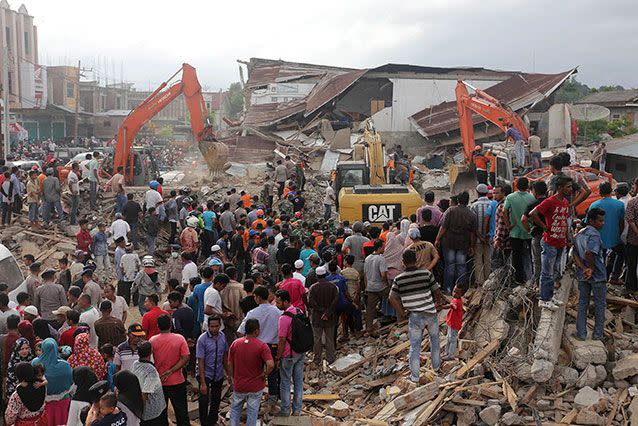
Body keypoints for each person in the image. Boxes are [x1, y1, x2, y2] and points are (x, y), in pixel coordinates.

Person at [389, 249, 443, 382]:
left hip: (414, 316)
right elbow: (437, 291)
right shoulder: (426, 273)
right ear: (416, 259)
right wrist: (439, 304)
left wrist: (402, 312)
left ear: (403, 262)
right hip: (430, 313)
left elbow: (392, 298)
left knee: (415, 347)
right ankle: (436, 369)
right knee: (435, 342)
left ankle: (415, 377)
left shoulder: (399, 279)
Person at [530, 175, 573, 310]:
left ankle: (550, 296)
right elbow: (533, 213)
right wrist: (544, 226)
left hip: (560, 242)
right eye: (568, 187)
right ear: (559, 188)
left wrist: (567, 238)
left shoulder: (565, 202)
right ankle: (544, 299)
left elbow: (564, 221)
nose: (570, 189)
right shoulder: (550, 201)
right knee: (547, 272)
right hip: (550, 242)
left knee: (554, 272)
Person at [237, 285, 281, 412]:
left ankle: (253, 400)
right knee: (273, 375)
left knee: (254, 373)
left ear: (258, 298)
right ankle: (272, 403)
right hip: (272, 347)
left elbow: (240, 331)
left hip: (255, 347)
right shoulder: (277, 312)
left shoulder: (253, 313)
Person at [228, 318, 275, 426]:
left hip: (239, 385)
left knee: (235, 411)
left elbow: (230, 363)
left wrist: (231, 377)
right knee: (252, 413)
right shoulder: (262, 346)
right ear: (256, 331)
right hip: (255, 386)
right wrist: (265, 374)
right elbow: (271, 364)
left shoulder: (235, 344)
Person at [149, 314, 191, 426]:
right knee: (181, 411)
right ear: (171, 325)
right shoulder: (179, 338)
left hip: (159, 381)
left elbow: (149, 360)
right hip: (177, 380)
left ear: (158, 326)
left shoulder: (152, 340)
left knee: (161, 413)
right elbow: (186, 357)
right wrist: (171, 370)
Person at [573, 208, 607, 340]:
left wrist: (583, 268)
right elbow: (589, 252)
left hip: (583, 274)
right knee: (599, 304)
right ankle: (598, 334)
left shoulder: (579, 234)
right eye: (600, 221)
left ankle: (581, 334)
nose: (602, 223)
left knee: (583, 303)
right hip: (597, 274)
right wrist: (591, 268)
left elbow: (574, 253)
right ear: (592, 221)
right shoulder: (594, 235)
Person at [435, 191, 476, 293]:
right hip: (463, 244)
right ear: (467, 201)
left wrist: (437, 239)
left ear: (458, 200)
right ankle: (461, 291)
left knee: (449, 266)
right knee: (462, 267)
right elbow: (472, 233)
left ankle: (448, 290)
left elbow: (443, 227)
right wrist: (472, 246)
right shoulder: (471, 214)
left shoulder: (450, 211)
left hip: (448, 243)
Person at [275, 289, 305, 417]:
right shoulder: (299, 311)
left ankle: (285, 409)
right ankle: (297, 409)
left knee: (285, 382)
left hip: (288, 355)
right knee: (298, 381)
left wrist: (278, 357)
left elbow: (281, 339)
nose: (276, 305)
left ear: (286, 301)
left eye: (278, 302)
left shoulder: (284, 318)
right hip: (300, 352)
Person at [31, 338, 73, 425]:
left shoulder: (36, 363)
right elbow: (71, 383)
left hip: (41, 403)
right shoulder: (65, 365)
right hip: (62, 402)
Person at [196, 316, 230, 426]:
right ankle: (204, 423)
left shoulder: (222, 337)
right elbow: (200, 361)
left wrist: (229, 374)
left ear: (220, 326)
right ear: (208, 326)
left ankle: (212, 420)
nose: (214, 329)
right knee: (204, 400)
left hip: (218, 373)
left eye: (216, 326)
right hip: (205, 373)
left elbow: (225, 356)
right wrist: (203, 383)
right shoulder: (202, 339)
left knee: (216, 399)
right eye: (212, 327)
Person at [504, 177, 536, 285]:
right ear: (527, 186)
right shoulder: (532, 197)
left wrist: (508, 224)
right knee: (532, 256)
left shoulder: (510, 197)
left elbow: (504, 211)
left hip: (515, 231)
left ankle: (519, 280)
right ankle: (532, 279)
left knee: (517, 257)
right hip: (529, 230)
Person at [308, 266, 339, 364]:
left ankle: (317, 359)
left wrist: (322, 312)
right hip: (330, 317)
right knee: (329, 338)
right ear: (325, 275)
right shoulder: (333, 287)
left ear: (317, 276)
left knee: (317, 339)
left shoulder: (313, 288)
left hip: (317, 317)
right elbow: (335, 301)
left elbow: (312, 303)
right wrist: (327, 312)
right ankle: (331, 358)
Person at [132, 341, 167, 425]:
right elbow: (145, 393)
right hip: (152, 411)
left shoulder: (135, 364)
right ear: (151, 351)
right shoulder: (151, 370)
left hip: (145, 411)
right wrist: (139, 410)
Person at [521, 181, 549, 286]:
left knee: (537, 261)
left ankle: (538, 284)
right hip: (550, 235)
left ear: (535, 192)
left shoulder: (532, 205)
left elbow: (523, 220)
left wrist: (529, 230)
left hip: (537, 235)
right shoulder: (550, 202)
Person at [363, 239, 388, 337]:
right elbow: (383, 275)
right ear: (379, 248)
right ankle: (400, 318)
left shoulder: (368, 258)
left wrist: (366, 286)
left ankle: (368, 328)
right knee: (394, 297)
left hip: (370, 287)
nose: (384, 248)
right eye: (383, 247)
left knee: (370, 309)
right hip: (381, 287)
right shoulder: (381, 259)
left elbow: (365, 275)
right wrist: (386, 283)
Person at [471, 184, 493, 284]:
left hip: (478, 238)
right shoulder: (493, 204)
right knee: (488, 259)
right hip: (490, 239)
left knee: (478, 260)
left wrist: (480, 236)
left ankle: (480, 282)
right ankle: (489, 281)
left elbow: (473, 225)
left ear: (477, 192)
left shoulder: (474, 206)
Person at [442, 286, 464, 360]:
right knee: (448, 338)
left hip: (454, 324)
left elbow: (452, 306)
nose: (455, 294)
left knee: (452, 339)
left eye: (457, 293)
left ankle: (451, 355)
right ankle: (447, 352)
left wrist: (442, 306)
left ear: (461, 294)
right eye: (454, 291)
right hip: (451, 323)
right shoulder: (454, 299)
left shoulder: (458, 302)